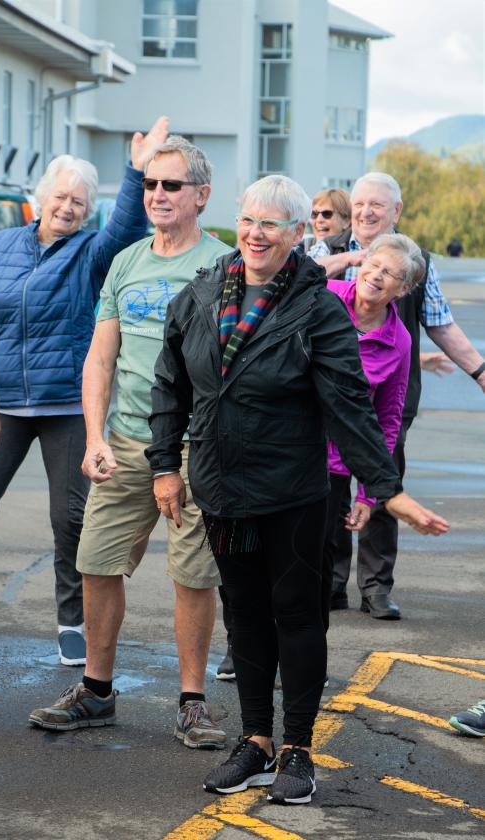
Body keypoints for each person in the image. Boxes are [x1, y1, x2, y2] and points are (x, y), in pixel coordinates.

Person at [145, 174, 449, 805]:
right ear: (239, 223)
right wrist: (164, 467)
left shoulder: (318, 306)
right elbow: (171, 385)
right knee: (245, 615)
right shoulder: (202, 294)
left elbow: (348, 403)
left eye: (273, 225)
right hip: (222, 485)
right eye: (250, 221)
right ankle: (255, 741)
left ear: (297, 235)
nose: (257, 234)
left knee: (297, 617)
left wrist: (385, 486)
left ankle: (298, 750)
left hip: (292, 490)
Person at [28, 136, 232, 749]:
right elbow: (100, 359)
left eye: (171, 185)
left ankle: (193, 703)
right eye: (150, 184)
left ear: (201, 194)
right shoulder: (127, 262)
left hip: (198, 447)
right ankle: (96, 691)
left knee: (193, 574)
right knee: (94, 562)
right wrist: (94, 435)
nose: (158, 195)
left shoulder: (225, 267)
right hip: (125, 441)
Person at [0, 118, 167, 661]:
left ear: (88, 209)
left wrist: (136, 171)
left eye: (79, 200)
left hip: (69, 406)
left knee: (70, 519)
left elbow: (125, 229)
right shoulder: (1, 244)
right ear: (41, 198)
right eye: (60, 196)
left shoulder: (94, 252)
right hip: (2, 403)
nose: (68, 207)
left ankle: (72, 623)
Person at [311, 172, 485, 619]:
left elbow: (441, 323)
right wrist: (353, 258)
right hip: (323, 404)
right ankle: (329, 583)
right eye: (360, 203)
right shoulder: (328, 252)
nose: (366, 212)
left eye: (377, 205)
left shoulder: (417, 263)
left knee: (384, 486)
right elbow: (297, 284)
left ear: (397, 211)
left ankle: (375, 588)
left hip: (389, 393)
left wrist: (479, 371)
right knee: (326, 496)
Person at [322, 233, 424, 630]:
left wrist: (367, 493)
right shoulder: (324, 296)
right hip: (290, 447)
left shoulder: (399, 341)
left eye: (392, 274)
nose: (378, 276)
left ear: (405, 288)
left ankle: (299, 664)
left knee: (315, 559)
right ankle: (242, 649)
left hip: (336, 463)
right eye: (375, 265)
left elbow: (387, 420)